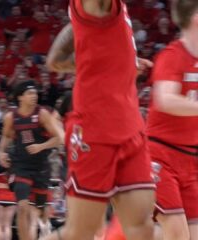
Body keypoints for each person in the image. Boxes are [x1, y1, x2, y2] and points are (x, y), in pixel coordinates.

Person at [43, 0, 156, 239]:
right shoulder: (101, 5)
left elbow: (54, 59)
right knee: (80, 233)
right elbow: (55, 61)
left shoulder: (108, 11)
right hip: (93, 132)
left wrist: (118, 65)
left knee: (142, 228)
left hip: (130, 128)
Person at [146, 1, 198, 239]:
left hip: (190, 160)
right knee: (178, 234)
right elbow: (166, 99)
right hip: (160, 156)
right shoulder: (172, 55)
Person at [0, 80, 62, 240]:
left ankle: (45, 226)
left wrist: (41, 146)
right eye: (30, 93)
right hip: (21, 166)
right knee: (22, 206)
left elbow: (59, 138)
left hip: (40, 166)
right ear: (20, 97)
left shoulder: (42, 114)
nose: (34, 96)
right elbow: (5, 137)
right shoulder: (11, 117)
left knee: (41, 210)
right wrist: (1, 152)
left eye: (35, 93)